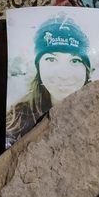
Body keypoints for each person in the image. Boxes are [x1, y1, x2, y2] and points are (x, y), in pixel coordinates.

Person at [6, 14, 92, 147]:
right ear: (38, 67)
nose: (63, 75)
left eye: (75, 60)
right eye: (51, 60)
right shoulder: (16, 120)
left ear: (86, 70)